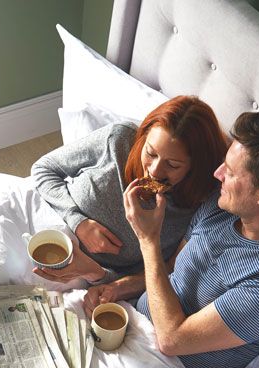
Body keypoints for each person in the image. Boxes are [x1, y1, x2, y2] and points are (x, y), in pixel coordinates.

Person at [118, 111, 259, 368]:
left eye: (229, 172)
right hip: (130, 328)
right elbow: (171, 268)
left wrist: (148, 239)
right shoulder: (224, 205)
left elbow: (172, 340)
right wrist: (116, 286)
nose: (217, 175)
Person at [30, 96, 228, 295]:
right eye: (150, 153)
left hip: (91, 280)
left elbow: (164, 271)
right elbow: (44, 169)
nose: (155, 171)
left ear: (195, 167)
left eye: (173, 164)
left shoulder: (198, 206)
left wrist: (95, 273)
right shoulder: (120, 139)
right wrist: (78, 222)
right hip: (47, 220)